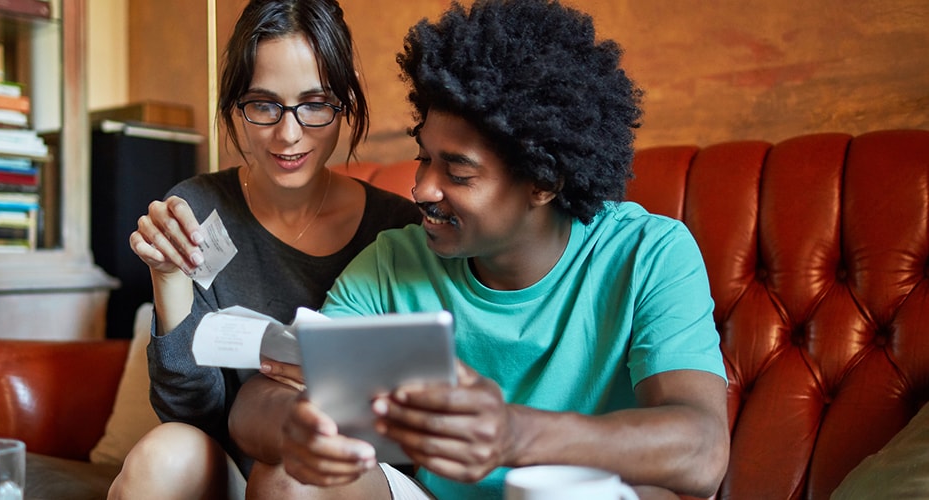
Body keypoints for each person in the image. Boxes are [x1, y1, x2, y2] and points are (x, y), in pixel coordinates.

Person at [231, 1, 730, 499]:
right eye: (423, 157)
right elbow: (258, 400)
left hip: (578, 492)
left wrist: (516, 434)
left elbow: (702, 449)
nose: (422, 188)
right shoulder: (395, 263)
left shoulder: (648, 254)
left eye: (458, 172)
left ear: (542, 182)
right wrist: (296, 425)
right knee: (286, 478)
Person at [107, 0, 422, 498]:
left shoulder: (397, 228)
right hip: (234, 467)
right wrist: (168, 281)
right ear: (237, 105)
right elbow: (191, 416)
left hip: (351, 473)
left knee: (294, 478)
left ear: (345, 102)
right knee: (161, 456)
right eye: (264, 104)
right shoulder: (197, 212)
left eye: (315, 104)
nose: (288, 133)